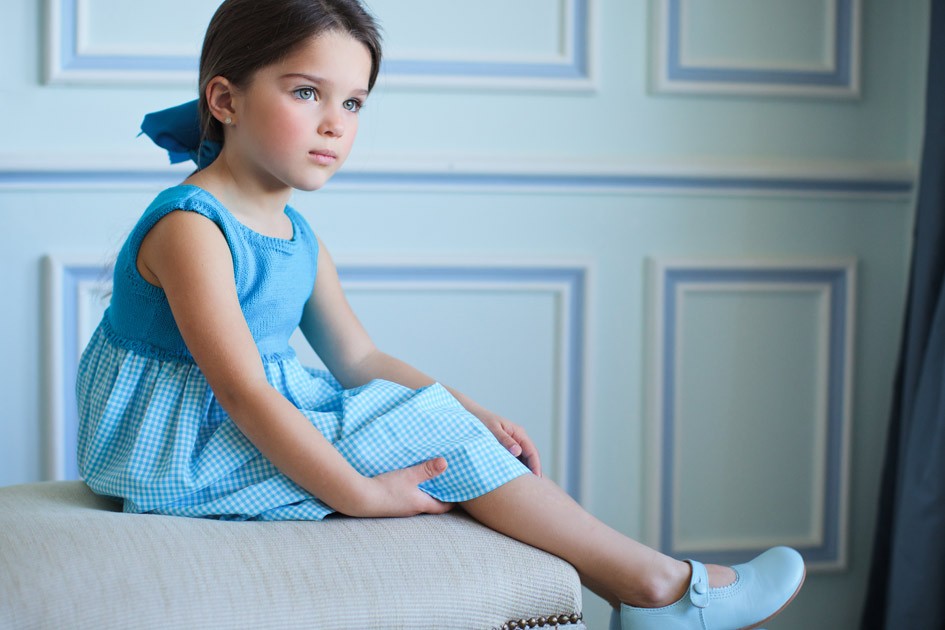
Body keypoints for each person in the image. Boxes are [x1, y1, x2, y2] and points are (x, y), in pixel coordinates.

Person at [75, 0, 805, 627]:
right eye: (306, 93)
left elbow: (357, 359)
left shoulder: (296, 237)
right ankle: (656, 587)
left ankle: (651, 585)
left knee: (425, 418)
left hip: (238, 416)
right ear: (225, 100)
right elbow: (243, 392)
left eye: (353, 103)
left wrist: (465, 407)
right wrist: (358, 495)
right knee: (413, 433)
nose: (334, 124)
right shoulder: (192, 227)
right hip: (173, 449)